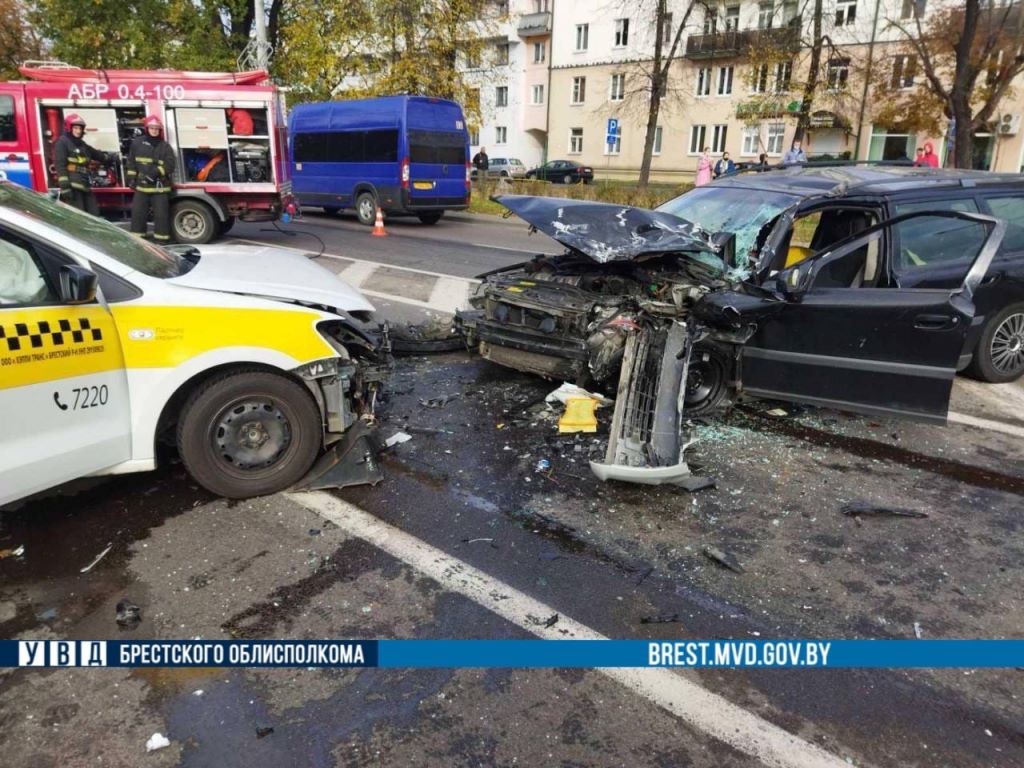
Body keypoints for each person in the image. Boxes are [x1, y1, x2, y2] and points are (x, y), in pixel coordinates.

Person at [126, 115, 176, 243]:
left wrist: (153, 174)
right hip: (141, 186)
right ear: (147, 129)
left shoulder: (165, 146)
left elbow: (170, 165)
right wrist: (131, 178)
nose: (154, 130)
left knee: (161, 216)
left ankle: (161, 241)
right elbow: (131, 162)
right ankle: (138, 240)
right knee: (138, 214)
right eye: (152, 128)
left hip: (160, 187)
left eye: (156, 128)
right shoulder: (137, 143)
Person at [54, 113, 111, 215]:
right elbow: (60, 165)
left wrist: (108, 158)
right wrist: (65, 187)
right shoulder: (62, 142)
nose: (78, 131)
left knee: (93, 213)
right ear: (69, 128)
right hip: (72, 185)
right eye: (75, 128)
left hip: (84, 183)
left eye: (80, 128)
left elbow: (95, 153)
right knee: (79, 214)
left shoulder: (81, 144)